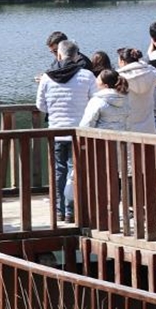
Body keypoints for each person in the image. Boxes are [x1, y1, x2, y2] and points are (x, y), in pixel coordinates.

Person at [36, 40, 96, 221]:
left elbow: (40, 105)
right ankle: (72, 212)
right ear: (77, 56)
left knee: (58, 172)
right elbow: (94, 102)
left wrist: (54, 111)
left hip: (55, 131)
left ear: (60, 55)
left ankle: (59, 211)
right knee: (74, 171)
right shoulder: (86, 76)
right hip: (78, 132)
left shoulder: (47, 77)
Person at [116, 47, 156, 134]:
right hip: (149, 127)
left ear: (122, 61)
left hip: (128, 128)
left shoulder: (119, 79)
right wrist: (141, 62)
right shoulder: (152, 74)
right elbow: (154, 69)